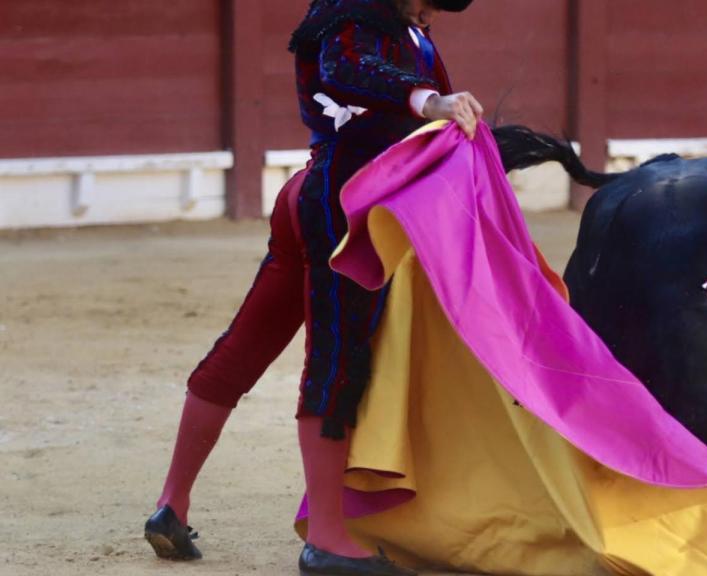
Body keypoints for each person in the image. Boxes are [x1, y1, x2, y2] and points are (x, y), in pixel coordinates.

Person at [143, 1, 482, 574]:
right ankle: (325, 536)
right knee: (336, 359)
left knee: (246, 345)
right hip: (346, 207)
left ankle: (169, 506)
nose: (430, 12)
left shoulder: (392, 22)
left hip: (313, 195)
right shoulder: (350, 13)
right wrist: (432, 100)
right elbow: (346, 67)